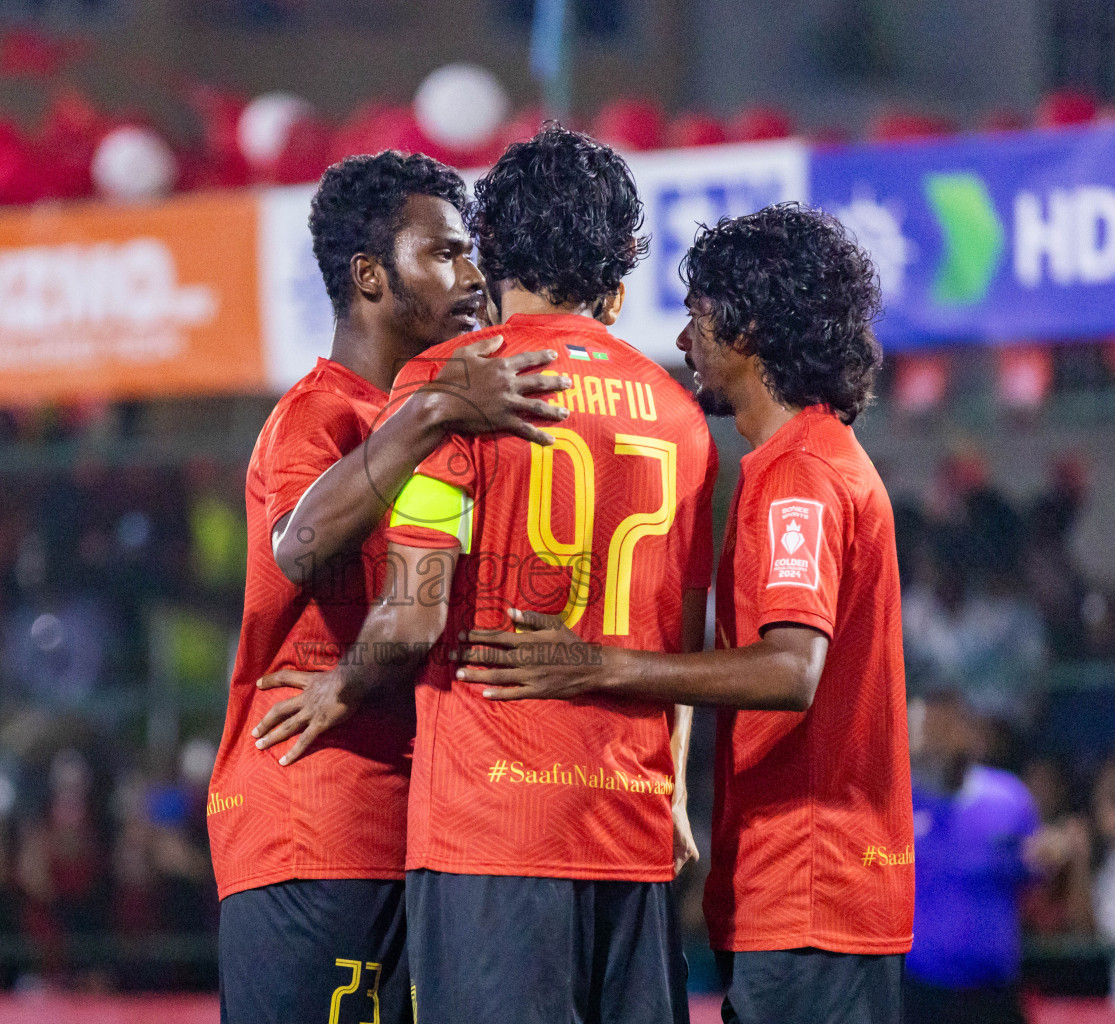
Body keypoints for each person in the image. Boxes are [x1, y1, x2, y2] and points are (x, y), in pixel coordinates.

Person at [255, 125, 714, 1023]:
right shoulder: (681, 413)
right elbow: (679, 637)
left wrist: (340, 689)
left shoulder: (458, 381)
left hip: (492, 833)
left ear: (495, 247)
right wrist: (674, 796)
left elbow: (415, 615)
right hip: (633, 827)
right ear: (618, 259)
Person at [453, 202, 914, 1024]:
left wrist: (600, 664)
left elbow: (790, 668)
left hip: (813, 889)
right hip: (820, 892)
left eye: (698, 319)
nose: (681, 342)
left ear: (749, 331)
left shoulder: (800, 475)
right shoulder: (809, 458)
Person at [208, 150, 570, 1024]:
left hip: (423, 828)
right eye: (443, 253)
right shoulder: (318, 414)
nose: (473, 276)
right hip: (313, 819)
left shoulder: (458, 415)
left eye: (471, 252)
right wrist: (434, 409)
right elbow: (297, 546)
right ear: (369, 277)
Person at [905, 691, 1038, 1024]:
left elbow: (1038, 884)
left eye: (946, 728)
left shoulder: (1010, 797)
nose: (937, 742)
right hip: (921, 996)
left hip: (993, 995)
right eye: (928, 729)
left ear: (968, 730)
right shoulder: (898, 802)